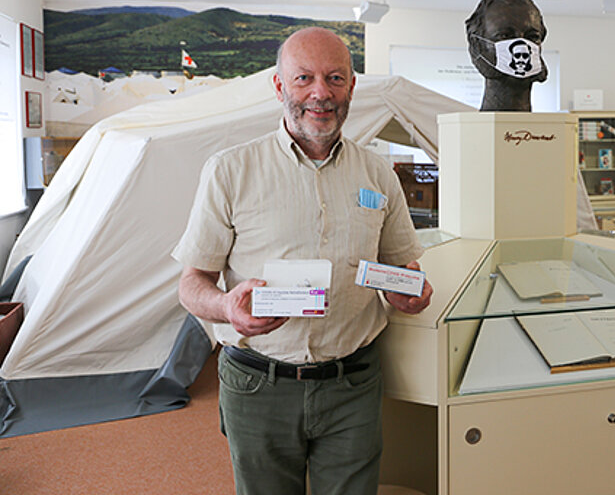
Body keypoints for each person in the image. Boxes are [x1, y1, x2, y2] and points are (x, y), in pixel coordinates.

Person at [173, 27, 433, 495]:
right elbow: (191, 282)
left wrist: (409, 291)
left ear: (352, 86)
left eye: (335, 78)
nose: (321, 93)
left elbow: (402, 268)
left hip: (352, 383)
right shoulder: (231, 170)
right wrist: (227, 306)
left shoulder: (379, 173)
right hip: (258, 384)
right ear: (279, 86)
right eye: (304, 78)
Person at [465, 0, 548, 111]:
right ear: (477, 45)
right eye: (504, 36)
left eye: (532, 37)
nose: (522, 44)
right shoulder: (468, 129)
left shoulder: (552, 128)